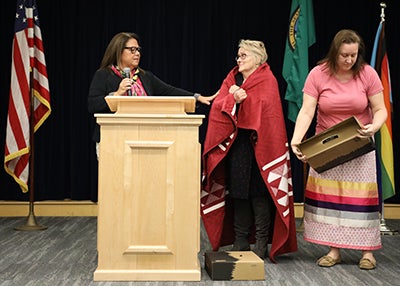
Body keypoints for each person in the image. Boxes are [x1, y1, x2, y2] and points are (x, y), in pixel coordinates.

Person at [291, 29, 387, 270]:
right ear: (335, 52)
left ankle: (368, 252)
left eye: (354, 55)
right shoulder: (318, 74)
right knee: (331, 200)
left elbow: (380, 109)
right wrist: (297, 139)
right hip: (327, 147)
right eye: (344, 55)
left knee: (361, 200)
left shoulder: (367, 74)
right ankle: (334, 250)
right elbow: (307, 110)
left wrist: (373, 127)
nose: (349, 60)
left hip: (359, 146)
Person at [201, 39, 297, 261]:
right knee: (238, 191)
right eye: (238, 55)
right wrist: (232, 99)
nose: (239, 59)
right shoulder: (232, 78)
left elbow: (268, 113)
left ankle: (262, 241)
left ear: (257, 59)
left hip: (262, 144)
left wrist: (241, 99)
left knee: (259, 192)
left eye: (244, 55)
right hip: (237, 144)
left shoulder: (267, 79)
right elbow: (218, 105)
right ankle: (240, 239)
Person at [88, 32, 217, 155]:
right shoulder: (103, 75)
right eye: (132, 50)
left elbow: (169, 91)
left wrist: (197, 97)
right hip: (112, 138)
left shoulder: (145, 76)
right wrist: (116, 94)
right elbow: (93, 104)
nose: (137, 53)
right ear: (119, 51)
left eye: (138, 50)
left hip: (143, 137)